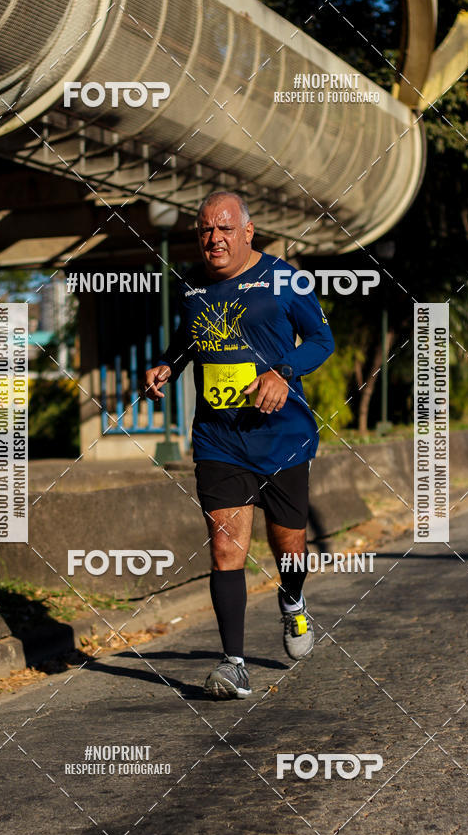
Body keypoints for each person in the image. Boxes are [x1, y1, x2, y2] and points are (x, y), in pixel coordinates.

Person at [143, 191, 334, 699]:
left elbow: (322, 340)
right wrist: (167, 364)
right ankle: (233, 663)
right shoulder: (192, 287)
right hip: (219, 439)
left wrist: (282, 371)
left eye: (225, 228)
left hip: (282, 437)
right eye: (206, 230)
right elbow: (187, 340)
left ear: (248, 232)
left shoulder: (285, 278)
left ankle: (293, 602)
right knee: (226, 548)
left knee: (289, 545)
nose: (215, 239)